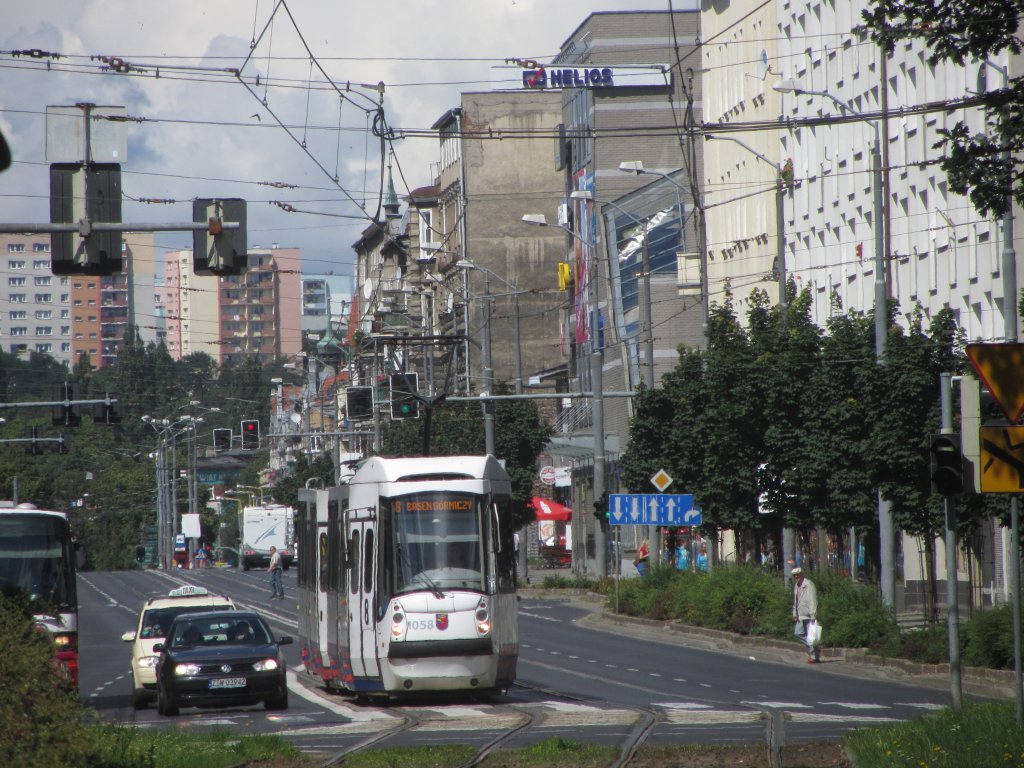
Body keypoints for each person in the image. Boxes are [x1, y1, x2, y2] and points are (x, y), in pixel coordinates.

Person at [791, 567, 820, 663]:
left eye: (797, 575)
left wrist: (813, 615)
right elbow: (796, 601)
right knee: (798, 633)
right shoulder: (796, 586)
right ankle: (814, 651)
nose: (796, 577)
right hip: (801, 614)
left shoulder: (808, 584)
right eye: (794, 576)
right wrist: (794, 613)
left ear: (802, 575)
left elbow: (812, 600)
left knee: (811, 636)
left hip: (808, 614)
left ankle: (815, 656)